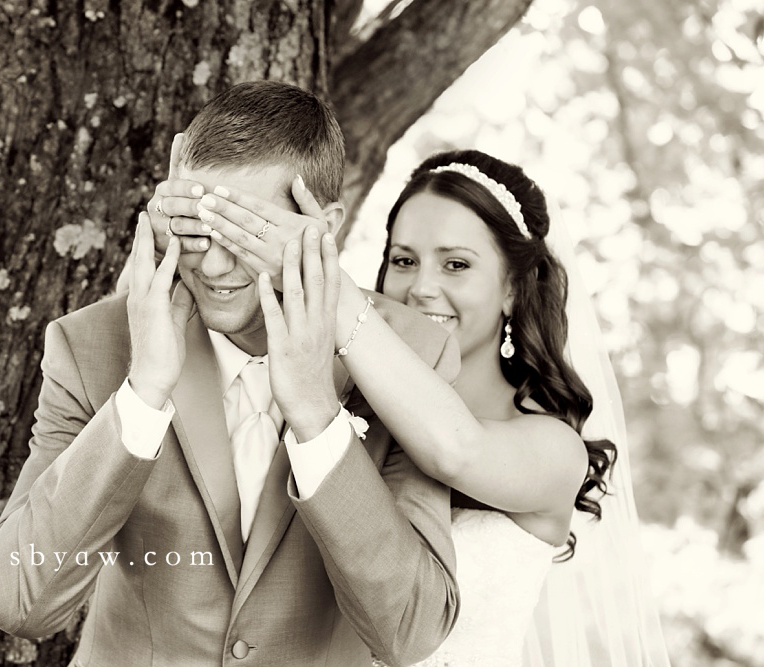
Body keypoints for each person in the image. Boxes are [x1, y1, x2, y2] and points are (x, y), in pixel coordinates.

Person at [0, 81, 462, 667]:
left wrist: (316, 417)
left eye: (246, 232)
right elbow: (16, 601)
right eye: (200, 224)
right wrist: (143, 394)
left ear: (323, 226)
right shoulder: (91, 345)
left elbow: (411, 631)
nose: (214, 262)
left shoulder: (412, 358)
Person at [191, 148, 670, 666]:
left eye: (456, 264)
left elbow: (456, 451)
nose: (421, 288)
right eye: (403, 260)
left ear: (513, 288)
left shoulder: (556, 450)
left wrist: (318, 272)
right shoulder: (338, 409)